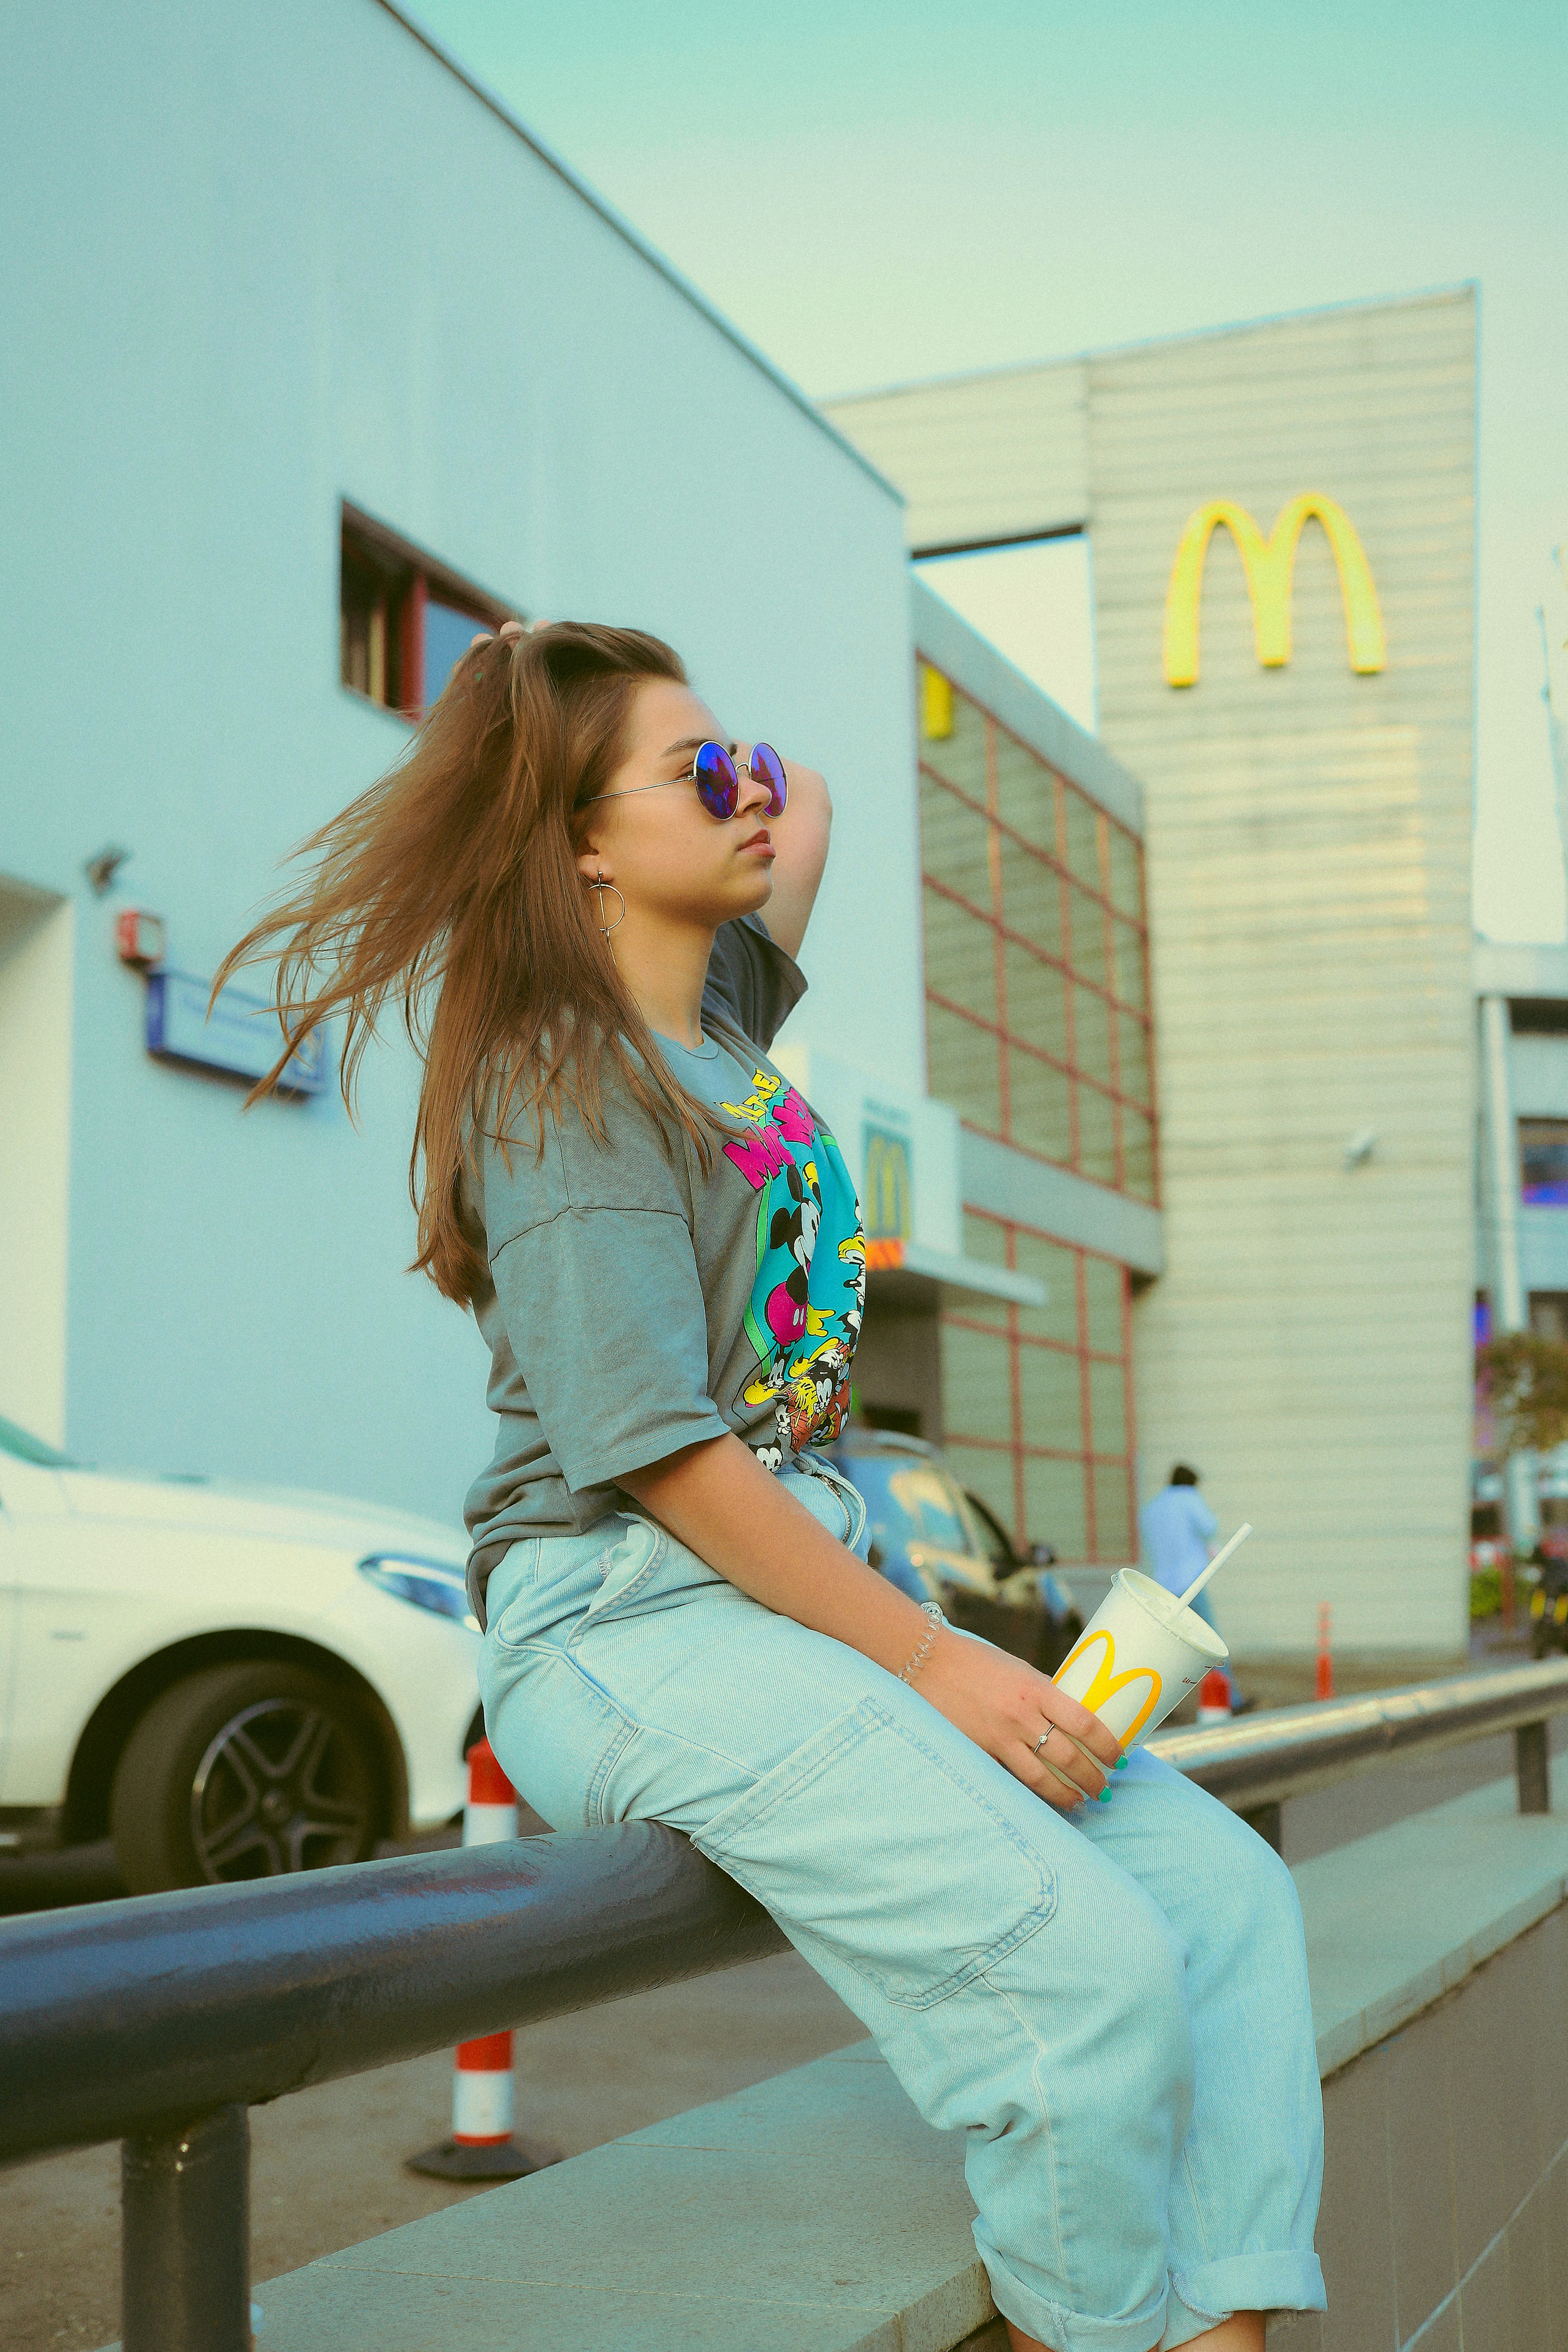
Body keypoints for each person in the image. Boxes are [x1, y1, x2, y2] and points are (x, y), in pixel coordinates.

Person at [214, 621, 1324, 2352]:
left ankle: (1226, 2326)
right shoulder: (563, 1077)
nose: (744, 792)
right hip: (620, 1612)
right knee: (1076, 1964)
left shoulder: (720, 1013)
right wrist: (938, 1655)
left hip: (781, 1604)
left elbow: (800, 800)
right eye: (689, 771)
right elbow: (657, 1449)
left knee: (1223, 1900)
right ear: (579, 838)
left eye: (726, 757)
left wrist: (604, 691)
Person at [1140, 1466, 1247, 1712]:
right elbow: (1210, 1527)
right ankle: (1232, 1699)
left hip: (1163, 1586)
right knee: (1212, 1643)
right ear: (1191, 1483)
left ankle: (1150, 1706)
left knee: (1164, 1647)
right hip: (1192, 1583)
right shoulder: (1189, 1498)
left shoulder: (1153, 1507)